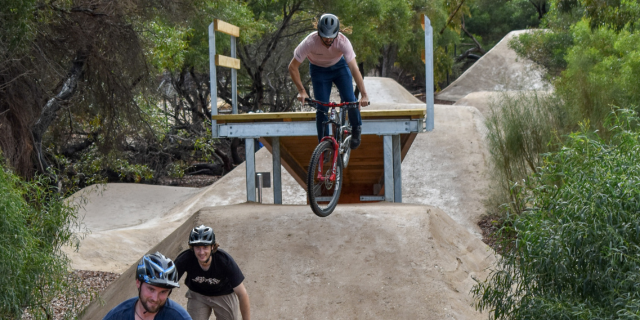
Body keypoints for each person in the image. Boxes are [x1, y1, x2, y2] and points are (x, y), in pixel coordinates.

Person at [288, 13, 369, 149]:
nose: (327, 40)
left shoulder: (343, 42)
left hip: (339, 67)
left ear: (337, 33)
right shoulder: (309, 42)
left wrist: (364, 94)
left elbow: (354, 68)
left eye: (331, 37)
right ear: (318, 33)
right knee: (322, 107)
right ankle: (323, 144)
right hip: (318, 70)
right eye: (324, 37)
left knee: (350, 100)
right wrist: (301, 91)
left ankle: (356, 129)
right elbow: (292, 67)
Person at [175, 225, 251, 320]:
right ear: (192, 247)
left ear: (212, 247)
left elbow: (242, 294)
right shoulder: (185, 259)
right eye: (197, 247)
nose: (201, 252)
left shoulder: (224, 261)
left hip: (223, 294)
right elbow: (167, 285)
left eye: (205, 247)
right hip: (198, 294)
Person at [103, 252, 192, 320]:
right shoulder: (117, 316)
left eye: (163, 292)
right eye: (151, 289)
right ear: (138, 283)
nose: (155, 298)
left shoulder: (179, 317)